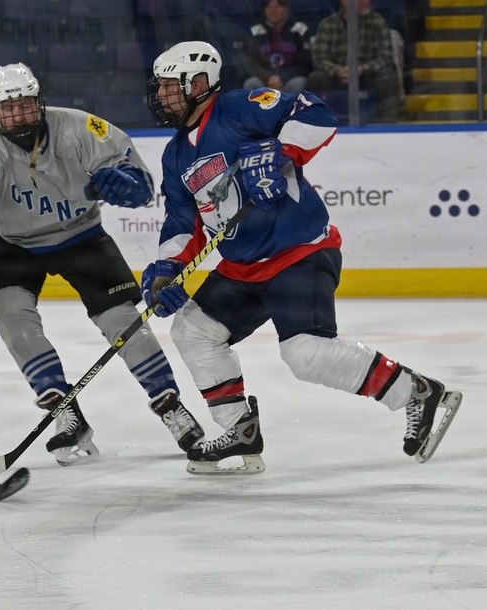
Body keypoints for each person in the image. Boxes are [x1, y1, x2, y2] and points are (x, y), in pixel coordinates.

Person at [142, 41, 461, 474]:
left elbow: (315, 113)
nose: (162, 95)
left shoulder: (241, 107)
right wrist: (167, 270)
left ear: (199, 84)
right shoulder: (176, 153)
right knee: (194, 330)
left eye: (169, 86)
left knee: (305, 354)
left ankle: (416, 391)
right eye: (159, 87)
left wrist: (280, 152)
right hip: (242, 267)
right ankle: (240, 430)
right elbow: (183, 221)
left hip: (299, 252)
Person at [0, 62, 205, 466]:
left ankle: (170, 407)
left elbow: (141, 183)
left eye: (25, 106)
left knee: (124, 321)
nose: (17, 116)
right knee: (11, 315)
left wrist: (126, 186)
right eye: (7, 110)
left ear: (40, 103)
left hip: (82, 235)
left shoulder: (80, 127)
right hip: (13, 244)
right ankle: (65, 412)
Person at [307, 0, 400, 122]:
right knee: (315, 78)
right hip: (338, 77)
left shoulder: (378, 22)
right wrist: (338, 71)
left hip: (366, 76)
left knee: (387, 76)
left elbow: (385, 57)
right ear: (345, 0)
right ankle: (317, 122)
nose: (367, 0)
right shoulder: (328, 24)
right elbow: (319, 59)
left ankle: (387, 123)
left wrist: (361, 69)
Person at [241, 0, 312, 94]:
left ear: (286, 9)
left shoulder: (300, 30)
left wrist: (282, 78)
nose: (272, 11)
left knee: (298, 83)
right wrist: (268, 78)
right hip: (265, 80)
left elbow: (305, 63)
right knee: (251, 84)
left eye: (277, 7)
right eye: (269, 7)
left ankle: (292, 110)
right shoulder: (255, 32)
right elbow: (252, 64)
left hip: (290, 79)